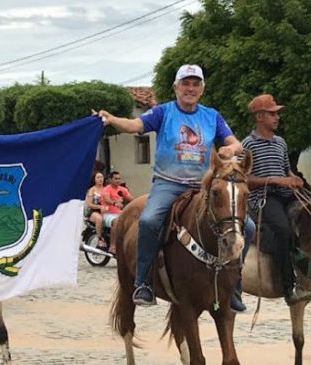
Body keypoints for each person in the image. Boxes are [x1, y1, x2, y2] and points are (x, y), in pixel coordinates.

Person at [98, 64, 255, 311]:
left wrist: (231, 149)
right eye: (185, 83)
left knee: (248, 226)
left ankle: (234, 284)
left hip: (201, 187)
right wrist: (111, 119)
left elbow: (235, 142)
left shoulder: (212, 116)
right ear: (176, 87)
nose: (190, 89)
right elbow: (134, 126)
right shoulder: (163, 112)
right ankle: (144, 282)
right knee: (149, 221)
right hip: (168, 183)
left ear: (202, 89)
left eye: (195, 84)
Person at [242, 94, 311, 305]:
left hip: (286, 195)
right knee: (283, 230)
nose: (277, 118)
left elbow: (286, 170)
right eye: (272, 114)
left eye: (276, 114)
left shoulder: (280, 143)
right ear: (259, 117)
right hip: (263, 199)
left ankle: (310, 271)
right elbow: (243, 178)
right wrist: (275, 180)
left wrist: (294, 179)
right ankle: (289, 288)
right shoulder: (248, 144)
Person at [101, 171, 134, 254]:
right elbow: (107, 199)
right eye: (115, 179)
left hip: (120, 214)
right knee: (116, 222)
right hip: (108, 214)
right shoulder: (106, 189)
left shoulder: (122, 190)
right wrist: (114, 203)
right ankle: (112, 246)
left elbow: (131, 199)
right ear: (110, 180)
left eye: (119, 179)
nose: (118, 180)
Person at [85, 172, 107, 249]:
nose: (100, 179)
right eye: (98, 177)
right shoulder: (92, 190)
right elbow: (89, 204)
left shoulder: (106, 189)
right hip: (94, 211)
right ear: (94, 179)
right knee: (99, 219)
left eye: (101, 177)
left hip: (106, 211)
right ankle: (99, 239)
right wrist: (100, 207)